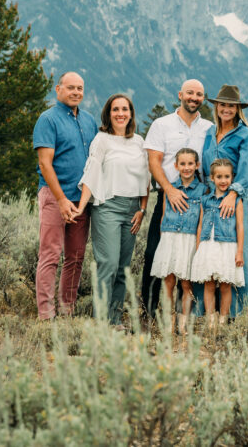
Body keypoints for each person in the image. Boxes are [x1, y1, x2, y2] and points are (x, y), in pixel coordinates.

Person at [75, 93, 151, 326]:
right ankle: (100, 320)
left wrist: (143, 209)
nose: (120, 114)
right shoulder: (102, 140)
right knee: (107, 263)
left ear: (131, 114)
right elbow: (91, 172)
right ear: (108, 114)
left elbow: (146, 179)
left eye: (125, 109)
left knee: (122, 268)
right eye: (115, 109)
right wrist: (80, 207)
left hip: (132, 209)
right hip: (107, 206)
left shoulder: (139, 141)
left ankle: (115, 319)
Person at [142, 79, 213, 318]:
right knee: (155, 252)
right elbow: (154, 161)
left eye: (199, 94)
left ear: (203, 98)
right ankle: (148, 311)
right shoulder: (162, 124)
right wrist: (169, 190)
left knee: (191, 255)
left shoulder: (208, 128)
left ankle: (187, 313)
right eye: (190, 93)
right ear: (181, 94)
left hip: (197, 199)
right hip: (168, 197)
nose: (194, 98)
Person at [32, 72, 99, 320]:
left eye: (80, 88)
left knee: (76, 256)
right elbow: (45, 164)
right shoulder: (48, 120)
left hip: (81, 200)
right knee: (50, 254)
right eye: (70, 88)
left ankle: (66, 308)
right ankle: (46, 313)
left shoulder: (89, 120)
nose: (76, 92)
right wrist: (60, 200)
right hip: (54, 196)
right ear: (58, 89)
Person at [199, 85, 248, 317]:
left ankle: (239, 313)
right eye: (222, 104)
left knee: (237, 254)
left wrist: (232, 195)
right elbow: (204, 168)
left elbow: (245, 169)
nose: (226, 109)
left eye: (231, 105)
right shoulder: (209, 133)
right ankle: (206, 312)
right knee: (209, 253)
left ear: (237, 108)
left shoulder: (245, 134)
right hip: (211, 200)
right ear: (216, 106)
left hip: (235, 199)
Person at [149, 148, 204, 334]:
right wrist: (164, 241)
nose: (186, 168)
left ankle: (184, 322)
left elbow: (201, 222)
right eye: (182, 164)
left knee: (186, 283)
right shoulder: (170, 188)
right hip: (170, 237)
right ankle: (168, 320)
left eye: (190, 164)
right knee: (168, 280)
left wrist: (198, 245)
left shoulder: (203, 190)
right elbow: (164, 214)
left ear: (197, 165)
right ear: (176, 166)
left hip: (188, 240)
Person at [190, 158, 246, 328]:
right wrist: (199, 247)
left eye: (227, 177)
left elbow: (240, 226)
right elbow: (200, 225)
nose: (223, 180)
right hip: (208, 245)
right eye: (219, 177)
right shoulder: (205, 200)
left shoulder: (236, 201)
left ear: (232, 178)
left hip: (227, 246)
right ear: (212, 178)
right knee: (208, 283)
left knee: (225, 285)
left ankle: (223, 318)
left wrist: (239, 251)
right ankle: (210, 319)